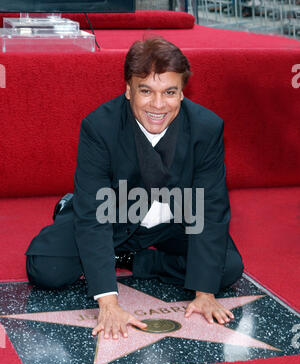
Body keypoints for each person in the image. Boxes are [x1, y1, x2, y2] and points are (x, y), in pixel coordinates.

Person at [25, 37, 244, 340]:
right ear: (128, 90)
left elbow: (212, 207)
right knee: (46, 268)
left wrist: (205, 292)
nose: (158, 104)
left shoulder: (207, 128)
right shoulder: (98, 127)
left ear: (182, 93)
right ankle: (69, 206)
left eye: (169, 92)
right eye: (146, 91)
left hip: (172, 221)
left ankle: (134, 260)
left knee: (227, 269)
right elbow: (94, 217)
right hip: (111, 214)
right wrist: (107, 301)